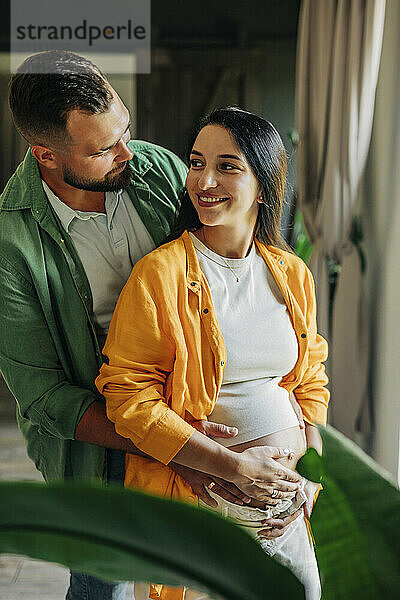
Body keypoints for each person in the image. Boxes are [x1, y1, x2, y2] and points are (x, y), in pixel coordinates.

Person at [0, 52, 300, 600]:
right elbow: (46, 398)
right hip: (101, 441)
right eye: (102, 149)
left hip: (207, 425)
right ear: (46, 155)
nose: (127, 155)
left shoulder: (155, 168)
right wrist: (186, 449)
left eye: (126, 131)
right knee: (106, 586)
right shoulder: (10, 247)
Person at [96, 107, 330, 600]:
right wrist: (234, 468)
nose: (204, 180)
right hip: (199, 507)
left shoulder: (291, 274)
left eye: (227, 166)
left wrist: (306, 471)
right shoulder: (159, 275)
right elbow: (127, 396)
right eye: (197, 162)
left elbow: (309, 379)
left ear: (263, 183)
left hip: (283, 509)